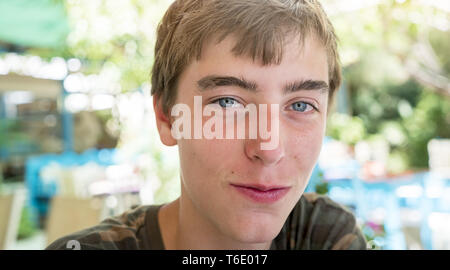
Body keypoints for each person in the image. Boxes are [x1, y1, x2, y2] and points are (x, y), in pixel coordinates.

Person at [46, 0, 367, 250]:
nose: (269, 149)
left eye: (301, 105)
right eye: (227, 102)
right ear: (167, 118)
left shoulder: (323, 234)